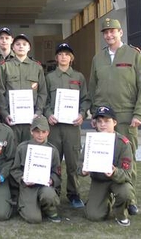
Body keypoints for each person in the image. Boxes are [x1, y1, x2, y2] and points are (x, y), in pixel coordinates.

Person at [89, 18, 141, 215]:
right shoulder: (98, 58)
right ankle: (104, 195)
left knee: (127, 157)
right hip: (103, 117)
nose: (109, 35)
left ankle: (129, 198)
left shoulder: (134, 55)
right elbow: (92, 87)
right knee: (103, 155)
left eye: (112, 31)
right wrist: (94, 112)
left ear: (120, 32)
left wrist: (139, 113)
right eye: (105, 32)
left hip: (125, 114)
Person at [44, 43, 91, 208]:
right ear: (56, 58)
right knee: (54, 161)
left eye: (67, 54)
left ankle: (73, 194)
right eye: (60, 54)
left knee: (72, 163)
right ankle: (53, 191)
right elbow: (45, 100)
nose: (63, 57)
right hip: (55, 128)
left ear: (71, 58)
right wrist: (48, 114)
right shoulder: (49, 78)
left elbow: (86, 99)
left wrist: (82, 114)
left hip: (72, 127)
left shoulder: (79, 77)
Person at [79, 105, 134, 227]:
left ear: (114, 122)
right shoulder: (91, 141)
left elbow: (127, 173)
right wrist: (83, 171)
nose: (102, 124)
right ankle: (105, 203)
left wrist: (114, 172)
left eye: (107, 121)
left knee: (126, 192)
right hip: (99, 181)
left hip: (117, 181)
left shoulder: (123, 143)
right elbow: (79, 165)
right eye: (99, 121)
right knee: (93, 216)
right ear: (96, 124)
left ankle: (121, 214)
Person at [10, 115, 62, 223]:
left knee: (49, 195)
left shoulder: (53, 150)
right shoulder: (22, 148)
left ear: (48, 132)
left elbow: (56, 173)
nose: (40, 135)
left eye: (44, 132)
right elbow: (15, 170)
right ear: (31, 131)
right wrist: (23, 178)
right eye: (37, 131)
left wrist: (52, 180)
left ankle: (50, 209)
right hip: (28, 187)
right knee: (34, 219)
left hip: (44, 186)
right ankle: (26, 205)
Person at [0, 34, 47, 145]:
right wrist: (5, 114)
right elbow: (0, 92)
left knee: (30, 150)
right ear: (13, 47)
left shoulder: (37, 67)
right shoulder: (5, 67)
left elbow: (42, 93)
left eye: (24, 44)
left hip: (31, 121)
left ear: (29, 47)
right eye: (18, 44)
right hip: (11, 120)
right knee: (12, 152)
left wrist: (38, 113)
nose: (21, 46)